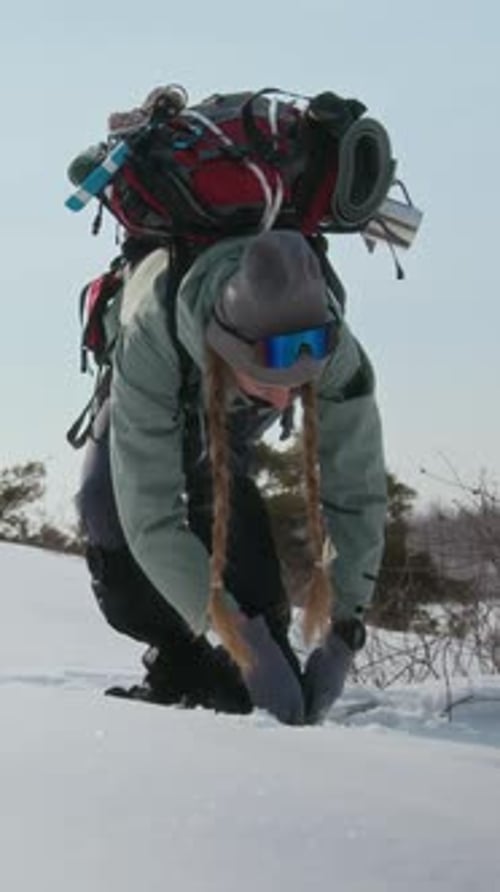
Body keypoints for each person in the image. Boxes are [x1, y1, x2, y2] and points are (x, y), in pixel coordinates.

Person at [77, 229, 387, 725]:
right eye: (271, 383)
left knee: (223, 499)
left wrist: (346, 626)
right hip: (157, 385)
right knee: (107, 516)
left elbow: (358, 491)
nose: (286, 402)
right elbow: (150, 513)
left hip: (232, 394)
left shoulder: (329, 344)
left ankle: (266, 627)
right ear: (224, 351)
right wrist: (241, 638)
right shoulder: (150, 339)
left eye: (299, 384)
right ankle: (183, 655)